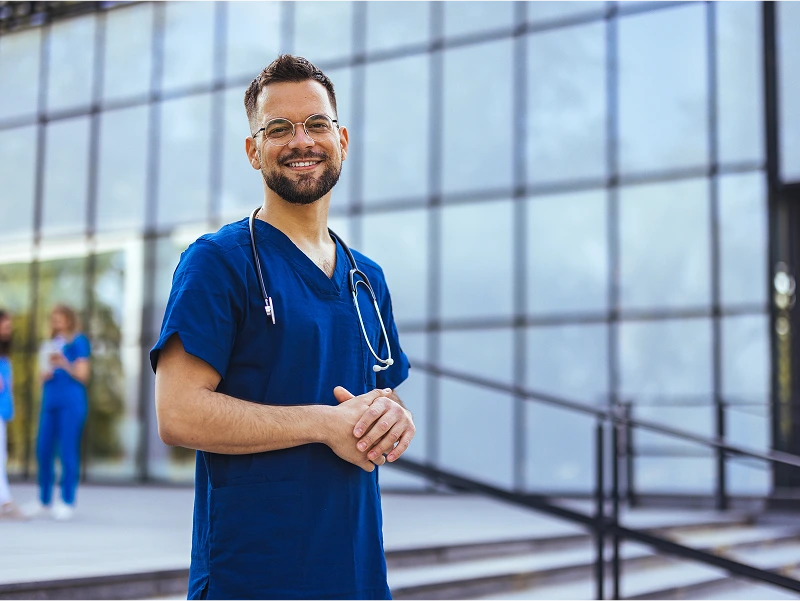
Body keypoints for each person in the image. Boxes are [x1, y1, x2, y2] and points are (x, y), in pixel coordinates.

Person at [152, 55, 416, 601]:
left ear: (342, 139)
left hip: (355, 572)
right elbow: (178, 413)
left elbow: (371, 404)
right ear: (253, 150)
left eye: (317, 124)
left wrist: (391, 420)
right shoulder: (217, 262)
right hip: (253, 575)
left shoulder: (367, 277)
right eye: (279, 128)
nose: (302, 141)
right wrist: (323, 424)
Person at [24, 304, 91, 521]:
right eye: (53, 318)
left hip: (71, 403)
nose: (56, 322)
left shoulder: (78, 342)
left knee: (67, 450)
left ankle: (67, 501)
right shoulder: (49, 344)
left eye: (60, 318)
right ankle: (44, 500)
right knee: (43, 449)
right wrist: (44, 372)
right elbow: (40, 378)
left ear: (69, 319)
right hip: (50, 402)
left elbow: (83, 375)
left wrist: (64, 363)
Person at [0, 309, 24, 520]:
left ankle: (5, 503)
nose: (8, 330)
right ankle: (5, 503)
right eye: (5, 326)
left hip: (3, 411)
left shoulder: (4, 354)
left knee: (2, 456)